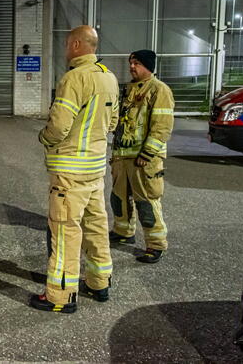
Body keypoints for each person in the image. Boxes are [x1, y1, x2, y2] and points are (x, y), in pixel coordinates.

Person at [31, 25, 119, 314]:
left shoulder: (73, 78)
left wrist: (44, 138)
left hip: (70, 171)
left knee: (66, 232)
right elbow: (113, 122)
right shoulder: (110, 78)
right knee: (96, 227)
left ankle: (60, 295)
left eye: (68, 44)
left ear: (79, 45)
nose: (66, 49)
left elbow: (58, 126)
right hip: (95, 169)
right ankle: (99, 282)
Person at [109, 49, 174, 264]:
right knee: (118, 199)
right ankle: (123, 232)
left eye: (136, 63)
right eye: (130, 62)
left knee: (146, 202)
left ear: (148, 66)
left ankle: (155, 245)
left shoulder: (159, 90)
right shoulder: (128, 90)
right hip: (122, 157)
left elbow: (162, 126)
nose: (132, 67)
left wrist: (147, 153)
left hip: (143, 160)